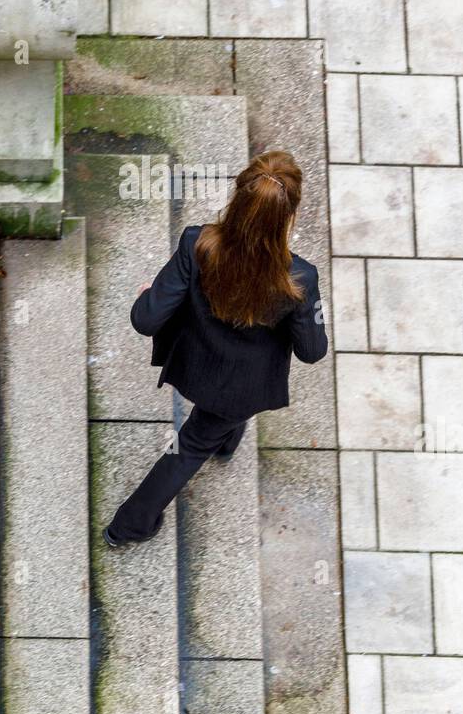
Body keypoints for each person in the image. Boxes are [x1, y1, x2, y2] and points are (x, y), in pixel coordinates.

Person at [103, 149, 328, 548]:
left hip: (194, 363)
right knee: (189, 447)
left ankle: (224, 442)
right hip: (244, 388)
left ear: (237, 199)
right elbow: (312, 350)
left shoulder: (197, 243)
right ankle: (129, 526)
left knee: (214, 426)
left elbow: (145, 319)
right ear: (289, 217)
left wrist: (148, 295)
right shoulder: (300, 277)